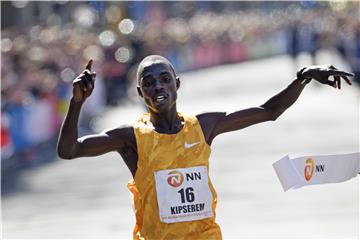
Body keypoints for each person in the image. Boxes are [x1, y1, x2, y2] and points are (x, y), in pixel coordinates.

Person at [57, 55, 353, 239]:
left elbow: (268, 111)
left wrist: (302, 79)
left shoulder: (204, 126)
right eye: (149, 83)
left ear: (177, 84)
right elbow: (69, 150)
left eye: (164, 79)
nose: (158, 87)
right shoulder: (131, 137)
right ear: (140, 93)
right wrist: (77, 103)